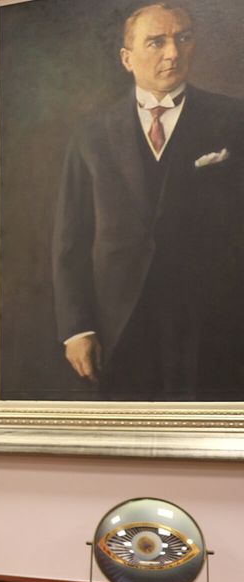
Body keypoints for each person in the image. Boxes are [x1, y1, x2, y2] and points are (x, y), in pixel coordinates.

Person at [52, 1, 244, 400]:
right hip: (117, 324)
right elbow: (70, 240)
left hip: (213, 322)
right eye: (156, 42)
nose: (173, 52)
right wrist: (77, 328)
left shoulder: (233, 120)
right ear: (127, 58)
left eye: (183, 38)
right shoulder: (91, 134)